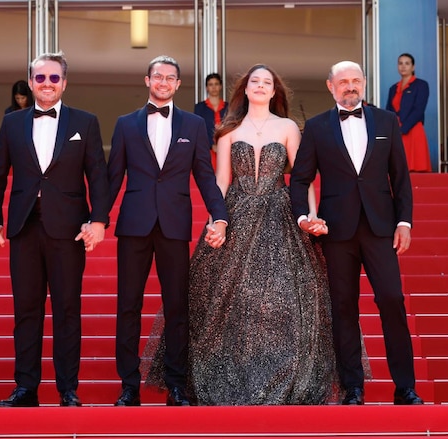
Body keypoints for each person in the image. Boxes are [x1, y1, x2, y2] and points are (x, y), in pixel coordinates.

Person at [143, 64, 340, 405]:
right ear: (245, 90)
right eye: (255, 82)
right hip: (236, 212)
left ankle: (283, 377)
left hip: (280, 214)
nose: (261, 87)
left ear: (274, 91)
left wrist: (309, 217)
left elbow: (302, 179)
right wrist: (215, 219)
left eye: (267, 82)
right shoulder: (227, 130)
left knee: (282, 301)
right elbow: (220, 181)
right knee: (230, 300)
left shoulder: (289, 127)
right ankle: (230, 378)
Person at [290, 61, 423, 406]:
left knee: (392, 300)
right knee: (344, 308)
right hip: (336, 232)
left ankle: (405, 387)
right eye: (343, 82)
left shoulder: (386, 121)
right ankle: (353, 388)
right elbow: (300, 179)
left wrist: (404, 222)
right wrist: (305, 217)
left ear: (364, 83)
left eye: (356, 81)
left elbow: (401, 178)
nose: (350, 87)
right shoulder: (317, 128)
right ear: (330, 86)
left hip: (380, 228)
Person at [0, 52, 109, 408]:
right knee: (26, 311)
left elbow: (97, 174)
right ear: (31, 82)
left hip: (68, 228)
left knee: (68, 309)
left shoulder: (85, 122)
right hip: (24, 227)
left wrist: (98, 220)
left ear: (64, 83)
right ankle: (26, 388)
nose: (47, 84)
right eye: (40, 78)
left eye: (54, 78)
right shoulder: (12, 123)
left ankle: (67, 388)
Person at [108, 55, 229, 407]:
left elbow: (205, 176)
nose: (162, 82)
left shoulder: (193, 125)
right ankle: (128, 386)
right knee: (127, 306)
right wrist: (96, 217)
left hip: (175, 226)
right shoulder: (125, 124)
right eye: (157, 76)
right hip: (134, 226)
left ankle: (177, 385)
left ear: (178, 84)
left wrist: (218, 215)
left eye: (170, 78)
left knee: (177, 307)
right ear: (147, 80)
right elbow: (114, 176)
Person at [385, 53, 431, 172]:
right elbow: (389, 110)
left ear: (413, 67)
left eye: (407, 63)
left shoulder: (421, 85)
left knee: (416, 168)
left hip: (413, 129)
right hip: (397, 130)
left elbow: (419, 109)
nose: (403, 66)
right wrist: (394, 128)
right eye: (400, 63)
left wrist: (403, 128)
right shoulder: (393, 88)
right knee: (398, 168)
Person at [193, 73, 228, 167]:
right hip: (206, 150)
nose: (214, 87)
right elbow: (198, 130)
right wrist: (211, 145)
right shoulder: (200, 108)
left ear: (220, 86)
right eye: (210, 84)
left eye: (216, 84)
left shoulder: (229, 107)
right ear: (207, 87)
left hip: (226, 149)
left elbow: (232, 127)